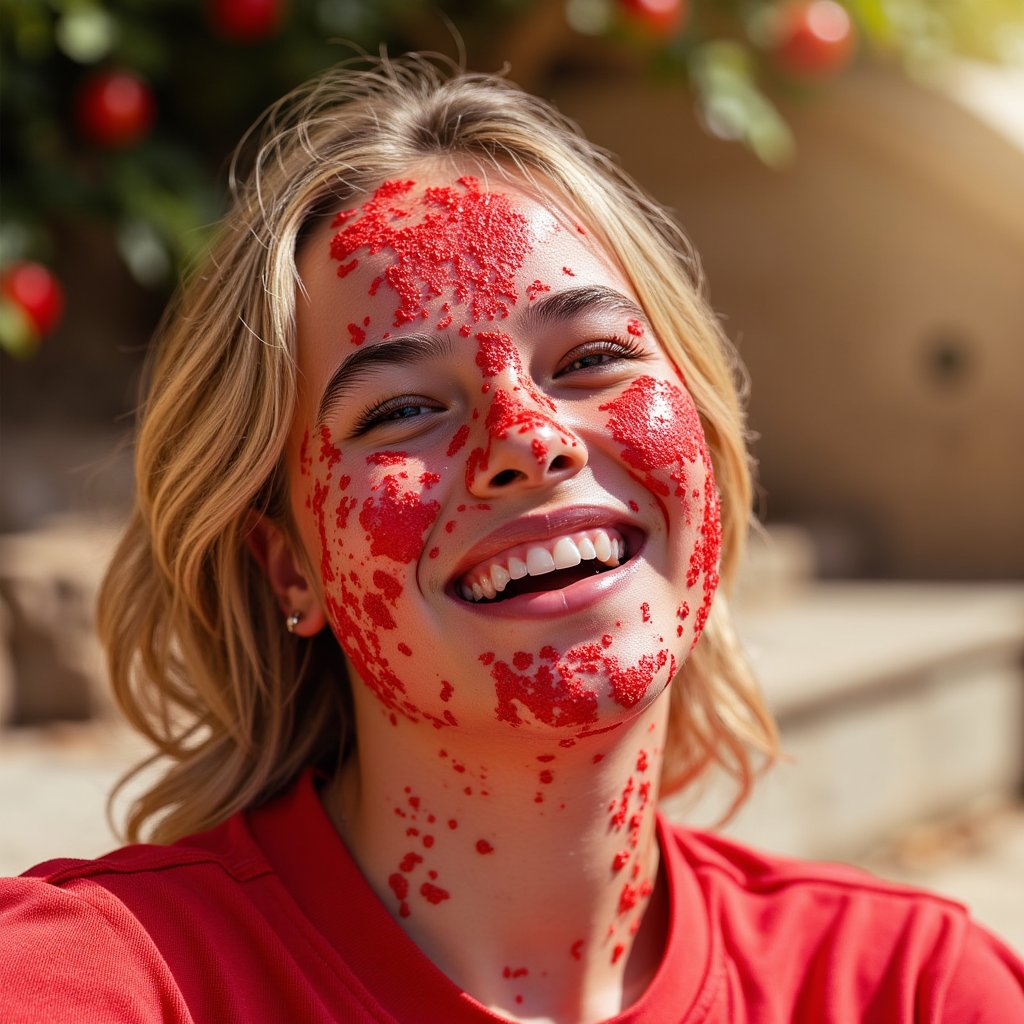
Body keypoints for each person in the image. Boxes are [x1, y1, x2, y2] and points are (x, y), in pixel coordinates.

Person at [1, 54, 1021, 1024]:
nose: (527, 440)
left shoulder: (912, 987)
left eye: (591, 357)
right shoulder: (101, 980)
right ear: (287, 564)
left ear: (703, 449)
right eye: (400, 411)